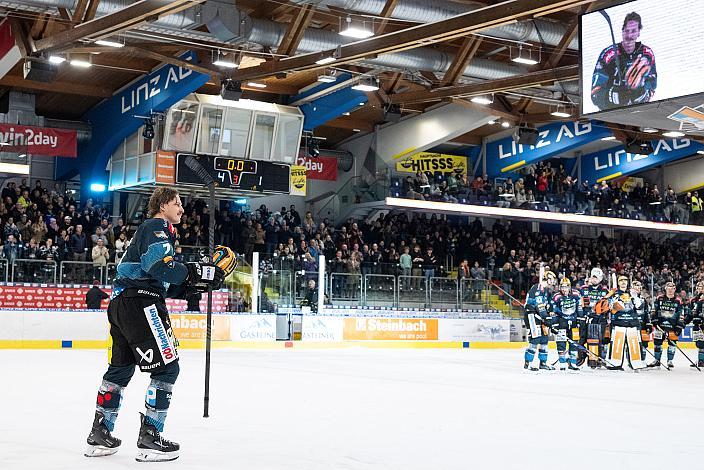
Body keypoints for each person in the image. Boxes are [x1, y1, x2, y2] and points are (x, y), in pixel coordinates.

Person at [84, 188, 225, 461]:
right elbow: (157, 265)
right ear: (162, 205)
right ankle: (150, 436)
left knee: (120, 371)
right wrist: (199, 271)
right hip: (142, 304)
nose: (182, 209)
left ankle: (99, 433)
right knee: (168, 368)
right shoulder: (157, 225)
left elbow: (161, 281)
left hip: (122, 303)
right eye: (177, 203)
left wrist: (196, 286)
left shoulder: (151, 231)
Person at [591, 11, 657, 110]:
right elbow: (595, 94)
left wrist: (642, 93)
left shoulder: (647, 54)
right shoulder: (608, 55)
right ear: (622, 31)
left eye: (633, 31)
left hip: (637, 114)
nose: (629, 36)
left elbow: (652, 85)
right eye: (627, 31)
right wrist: (615, 95)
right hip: (613, 115)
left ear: (639, 32)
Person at [606, 275, 646, 369]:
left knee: (635, 345)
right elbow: (610, 309)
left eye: (625, 280)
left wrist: (635, 297)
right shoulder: (613, 294)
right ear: (618, 282)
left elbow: (640, 307)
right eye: (621, 281)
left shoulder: (633, 293)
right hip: (618, 323)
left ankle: (636, 364)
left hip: (632, 324)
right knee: (617, 344)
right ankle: (615, 364)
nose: (623, 282)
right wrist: (615, 304)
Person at [523, 270, 557, 371]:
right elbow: (539, 306)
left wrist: (550, 318)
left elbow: (548, 306)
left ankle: (543, 363)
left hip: (540, 317)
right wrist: (546, 318)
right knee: (535, 339)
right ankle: (528, 363)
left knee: (544, 339)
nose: (553, 283)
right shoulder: (538, 288)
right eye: (552, 280)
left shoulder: (546, 290)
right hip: (532, 316)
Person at [578, 267, 610, 368]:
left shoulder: (605, 290)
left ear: (600, 279)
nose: (594, 279)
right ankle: (582, 358)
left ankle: (599, 359)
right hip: (587, 318)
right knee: (583, 339)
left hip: (600, 318)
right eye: (593, 277)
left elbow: (609, 305)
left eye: (596, 277)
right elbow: (579, 303)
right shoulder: (584, 289)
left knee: (600, 340)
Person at [649, 281, 684, 368]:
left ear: (675, 289)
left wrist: (679, 326)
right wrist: (654, 320)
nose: (670, 290)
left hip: (672, 326)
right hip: (660, 326)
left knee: (672, 344)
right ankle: (657, 360)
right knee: (657, 343)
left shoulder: (678, 300)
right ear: (665, 289)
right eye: (668, 288)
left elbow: (681, 314)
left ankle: (670, 361)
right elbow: (654, 310)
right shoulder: (659, 298)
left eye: (672, 289)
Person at [552, 277, 581, 371]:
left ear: (570, 287)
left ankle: (572, 363)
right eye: (562, 287)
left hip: (574, 324)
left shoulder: (576, 294)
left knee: (574, 344)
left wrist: (580, 320)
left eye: (566, 287)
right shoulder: (556, 296)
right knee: (561, 343)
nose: (564, 289)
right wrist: (555, 324)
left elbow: (579, 308)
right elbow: (553, 311)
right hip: (562, 323)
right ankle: (562, 363)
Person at [632, 280, 652, 362]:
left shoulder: (643, 300)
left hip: (642, 325)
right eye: (636, 287)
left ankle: (642, 361)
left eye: (639, 287)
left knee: (644, 344)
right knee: (632, 344)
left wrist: (648, 324)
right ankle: (632, 361)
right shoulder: (628, 298)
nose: (638, 289)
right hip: (632, 324)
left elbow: (647, 313)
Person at [686, 281, 704, 367]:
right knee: (699, 344)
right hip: (697, 325)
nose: (700, 289)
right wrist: (685, 322)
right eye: (699, 287)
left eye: (702, 287)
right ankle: (701, 360)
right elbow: (690, 314)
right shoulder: (693, 300)